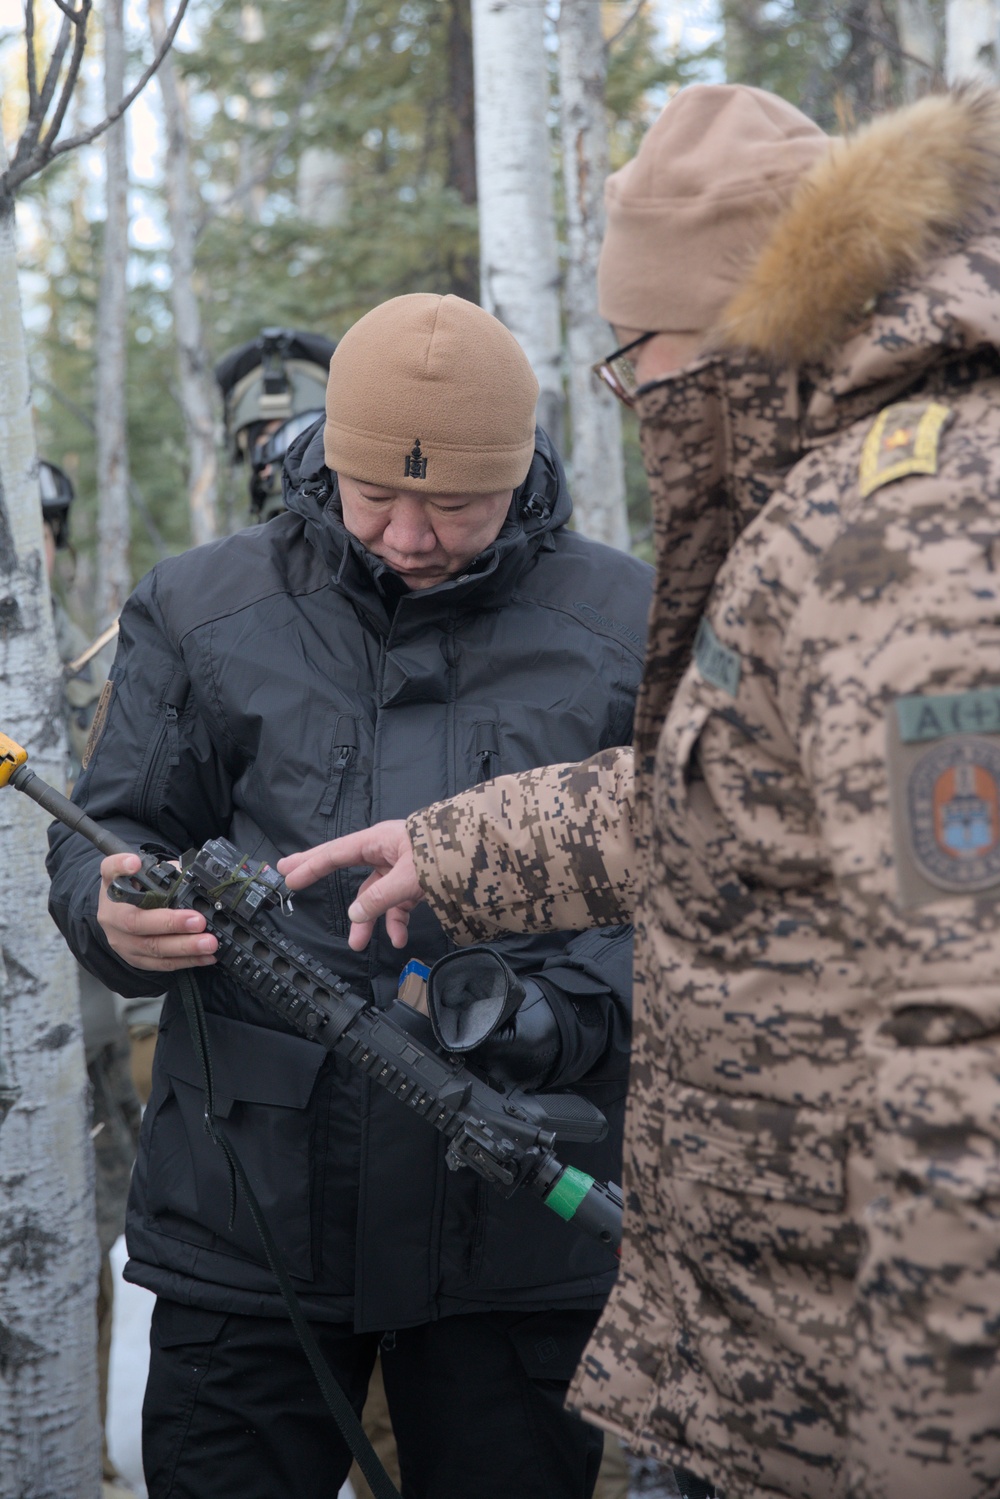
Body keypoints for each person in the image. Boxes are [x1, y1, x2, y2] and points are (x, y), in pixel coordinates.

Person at [279, 84, 1000, 1498]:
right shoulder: (842, 501)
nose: (639, 387)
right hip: (784, 1358)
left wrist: (934, 1449)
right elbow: (734, 790)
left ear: (728, 330)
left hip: (861, 1392)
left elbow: (971, 1030)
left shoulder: (905, 537)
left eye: (638, 353)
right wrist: (454, 848)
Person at [47, 292, 653, 1499]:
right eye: (377, 495)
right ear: (324, 458)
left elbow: (697, 887)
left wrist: (558, 1018)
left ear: (523, 469)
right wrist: (108, 912)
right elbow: (114, 828)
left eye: (455, 505)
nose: (411, 533)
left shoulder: (629, 621)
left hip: (519, 1220)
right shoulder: (203, 606)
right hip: (250, 1217)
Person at [41, 459, 143, 1499]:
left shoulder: (79, 667)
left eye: (52, 525)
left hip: (79, 1027)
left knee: (85, 1243)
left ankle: (79, 1456)